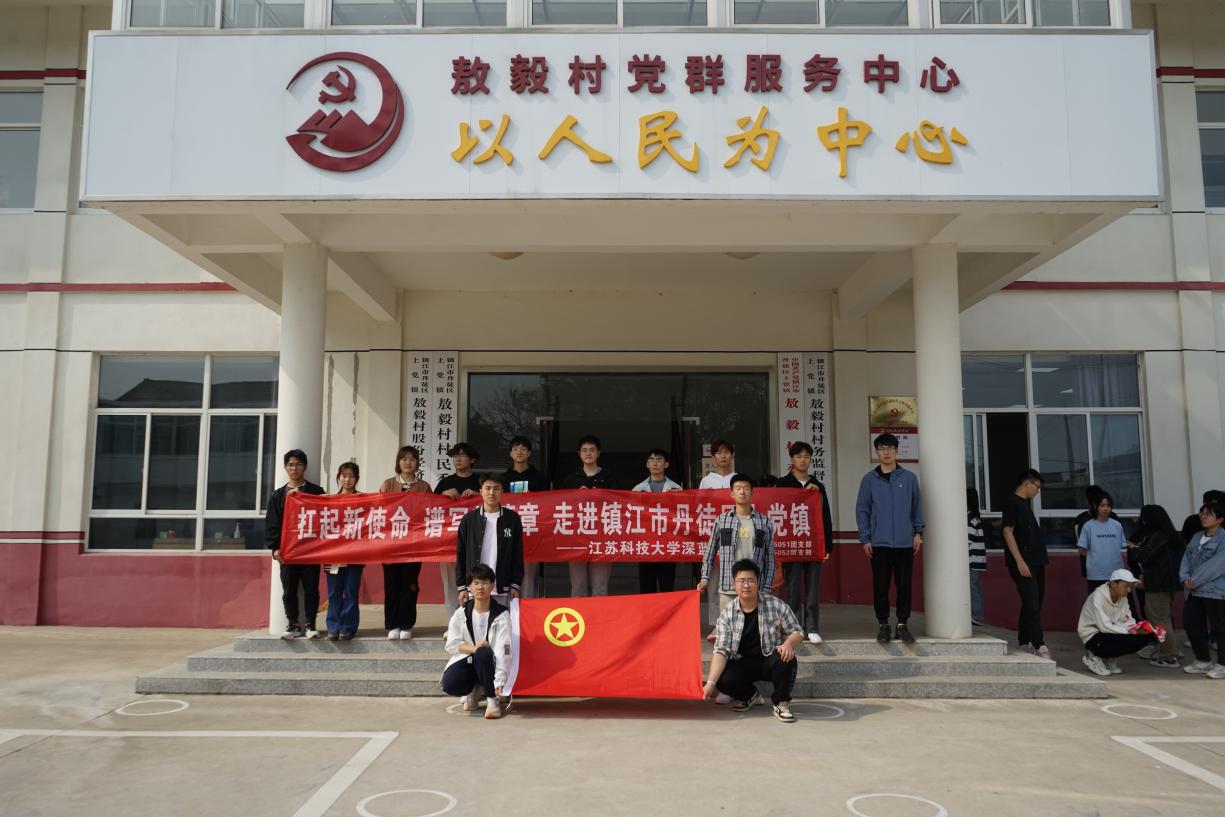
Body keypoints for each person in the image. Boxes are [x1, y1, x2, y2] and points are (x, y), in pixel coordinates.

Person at [702, 559, 803, 724]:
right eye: (741, 581)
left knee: (786, 656)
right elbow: (721, 650)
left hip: (771, 659)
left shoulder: (775, 605)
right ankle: (750, 696)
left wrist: (788, 644)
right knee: (722, 678)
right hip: (744, 663)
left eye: (751, 580)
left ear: (758, 583)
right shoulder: (727, 614)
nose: (746, 585)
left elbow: (797, 632)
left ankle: (781, 703)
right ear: (734, 584)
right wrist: (711, 683)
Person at [856, 433, 925, 645]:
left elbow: (917, 507)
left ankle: (902, 624)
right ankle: (883, 625)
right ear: (877, 452)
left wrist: (918, 533)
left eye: (890, 448)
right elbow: (862, 510)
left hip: (905, 542)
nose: (886, 452)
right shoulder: (869, 480)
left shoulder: (909, 478)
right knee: (881, 586)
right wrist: (865, 538)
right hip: (879, 543)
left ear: (896, 451)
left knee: (904, 585)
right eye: (882, 448)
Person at [698, 474, 775, 640]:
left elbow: (770, 558)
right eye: (738, 488)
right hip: (728, 584)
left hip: (753, 586)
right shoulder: (722, 520)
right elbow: (710, 551)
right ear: (732, 493)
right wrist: (705, 578)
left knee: (752, 633)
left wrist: (767, 586)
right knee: (727, 632)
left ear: (752, 492)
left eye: (746, 488)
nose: (742, 492)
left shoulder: (764, 522)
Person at [264, 449, 326, 639]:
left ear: (305, 467)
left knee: (311, 589)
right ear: (285, 467)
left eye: (298, 464)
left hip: (310, 551)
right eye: (290, 464)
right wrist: (275, 548)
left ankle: (310, 624)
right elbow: (272, 523)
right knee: (289, 590)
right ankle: (292, 624)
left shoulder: (316, 492)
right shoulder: (278, 495)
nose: (294, 468)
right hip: (288, 552)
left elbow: (325, 519)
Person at [775, 442, 834, 644]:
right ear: (792, 459)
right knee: (792, 588)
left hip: (813, 544)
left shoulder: (818, 486)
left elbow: (825, 517)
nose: (803, 460)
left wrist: (827, 546)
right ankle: (794, 627)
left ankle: (812, 627)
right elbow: (779, 513)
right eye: (799, 456)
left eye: (807, 456)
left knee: (813, 588)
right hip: (792, 544)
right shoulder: (782, 484)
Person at [442, 563, 512, 720]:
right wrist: (474, 648)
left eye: (485, 582)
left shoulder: (501, 615)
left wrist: (500, 681)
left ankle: (491, 699)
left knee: (484, 653)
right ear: (469, 587)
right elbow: (451, 644)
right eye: (476, 583)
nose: (480, 587)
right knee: (450, 683)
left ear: (492, 585)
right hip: (469, 659)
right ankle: (473, 690)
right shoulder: (461, 613)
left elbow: (503, 650)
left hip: (491, 663)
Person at [378, 445, 432, 640]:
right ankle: (392, 624)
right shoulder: (388, 484)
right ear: (398, 462)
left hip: (414, 546)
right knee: (392, 585)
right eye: (404, 459)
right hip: (391, 545)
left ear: (417, 463)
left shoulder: (424, 486)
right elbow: (380, 511)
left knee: (410, 585)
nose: (408, 463)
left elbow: (430, 512)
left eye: (412, 459)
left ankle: (407, 624)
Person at [1129, 504, 1186, 668]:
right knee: (1164, 619)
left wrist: (1133, 548)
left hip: (1158, 585)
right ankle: (1170, 651)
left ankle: (1168, 657)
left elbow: (1144, 557)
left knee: (1159, 620)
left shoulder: (1158, 537)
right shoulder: (1173, 536)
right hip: (1170, 584)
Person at [1001, 469, 1051, 659]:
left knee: (1035, 600)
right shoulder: (1012, 503)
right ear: (1027, 483)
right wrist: (1019, 561)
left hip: (1037, 560)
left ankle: (1025, 639)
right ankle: (1039, 644)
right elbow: (1007, 531)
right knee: (1032, 602)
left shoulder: (1025, 504)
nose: (1038, 491)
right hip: (1024, 562)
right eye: (1036, 486)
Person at [456, 475, 524, 606]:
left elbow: (517, 554)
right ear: (481, 491)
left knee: (502, 619)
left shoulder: (512, 519)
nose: (491, 492)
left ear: (502, 491)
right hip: (475, 586)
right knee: (476, 619)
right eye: (487, 488)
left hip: (502, 586)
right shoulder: (469, 520)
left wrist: (515, 584)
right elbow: (461, 553)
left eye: (496, 488)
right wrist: (462, 586)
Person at [1077, 568, 1158, 676]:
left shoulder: (1123, 597)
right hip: (1093, 635)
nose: (1129, 590)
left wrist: (1136, 629)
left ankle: (1109, 657)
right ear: (1113, 584)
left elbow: (1129, 620)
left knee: (1145, 637)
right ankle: (1092, 657)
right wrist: (1131, 631)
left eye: (1130, 586)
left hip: (1111, 631)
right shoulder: (1098, 596)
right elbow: (1104, 626)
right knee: (1129, 639)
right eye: (1126, 586)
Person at [560, 435, 614, 596]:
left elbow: (619, 503)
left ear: (598, 453)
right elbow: (558, 504)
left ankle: (600, 614)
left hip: (602, 537)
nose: (588, 453)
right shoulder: (571, 478)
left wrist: (601, 496)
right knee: (578, 587)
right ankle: (579, 614)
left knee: (600, 587)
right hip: (577, 538)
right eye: (584, 450)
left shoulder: (608, 477)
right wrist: (575, 496)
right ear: (579, 454)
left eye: (592, 450)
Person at [435, 442, 483, 614]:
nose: (457, 459)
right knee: (450, 584)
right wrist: (442, 496)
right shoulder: (445, 482)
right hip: (449, 542)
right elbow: (430, 507)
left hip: (477, 540)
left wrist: (479, 495)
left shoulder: (481, 481)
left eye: (462, 455)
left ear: (472, 459)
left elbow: (496, 500)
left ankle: (476, 617)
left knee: (478, 579)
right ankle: (453, 620)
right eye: (455, 456)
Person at [499, 435, 550, 598]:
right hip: (507, 530)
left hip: (531, 530)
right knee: (506, 570)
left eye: (523, 449)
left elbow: (548, 503)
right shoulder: (502, 478)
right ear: (510, 454)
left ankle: (529, 610)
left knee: (529, 578)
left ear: (529, 453)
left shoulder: (539, 477)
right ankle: (509, 611)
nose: (519, 452)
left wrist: (533, 498)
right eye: (515, 449)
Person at [1179, 499, 1225, 678]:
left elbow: (1217, 565)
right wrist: (1184, 578)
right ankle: (1203, 660)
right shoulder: (1197, 536)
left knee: (1219, 629)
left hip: (1215, 591)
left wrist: (1194, 580)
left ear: (1219, 519)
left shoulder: (1223, 538)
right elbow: (1186, 558)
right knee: (1191, 623)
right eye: (1202, 513)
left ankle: (1222, 665)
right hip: (1194, 590)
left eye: (1208, 514)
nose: (1203, 517)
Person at [323, 462, 365, 641]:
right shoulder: (328, 500)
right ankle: (333, 627)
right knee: (334, 592)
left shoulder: (364, 500)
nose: (347, 480)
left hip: (355, 554)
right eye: (344, 476)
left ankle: (348, 627)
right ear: (338, 477)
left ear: (357, 479)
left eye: (351, 476)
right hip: (332, 554)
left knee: (351, 591)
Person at [633, 448, 683, 594]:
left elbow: (681, 515)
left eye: (659, 460)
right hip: (646, 544)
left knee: (667, 587)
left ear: (666, 464)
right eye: (652, 460)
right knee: (647, 588)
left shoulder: (676, 489)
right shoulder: (637, 489)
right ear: (647, 464)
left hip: (668, 544)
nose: (655, 463)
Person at [1077, 490, 1127, 594]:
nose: (1106, 509)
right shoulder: (1088, 526)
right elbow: (1081, 550)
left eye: (1108, 506)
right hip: (1096, 575)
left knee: (1116, 602)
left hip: (1116, 573)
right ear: (1095, 507)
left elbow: (1120, 545)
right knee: (1097, 602)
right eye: (1102, 505)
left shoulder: (1117, 525)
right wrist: (1095, 557)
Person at [968, 487, 988, 627]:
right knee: (975, 587)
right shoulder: (975, 517)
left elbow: (967, 539)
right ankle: (977, 615)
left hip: (973, 559)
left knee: (973, 587)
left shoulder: (970, 518)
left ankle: (977, 615)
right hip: (978, 560)